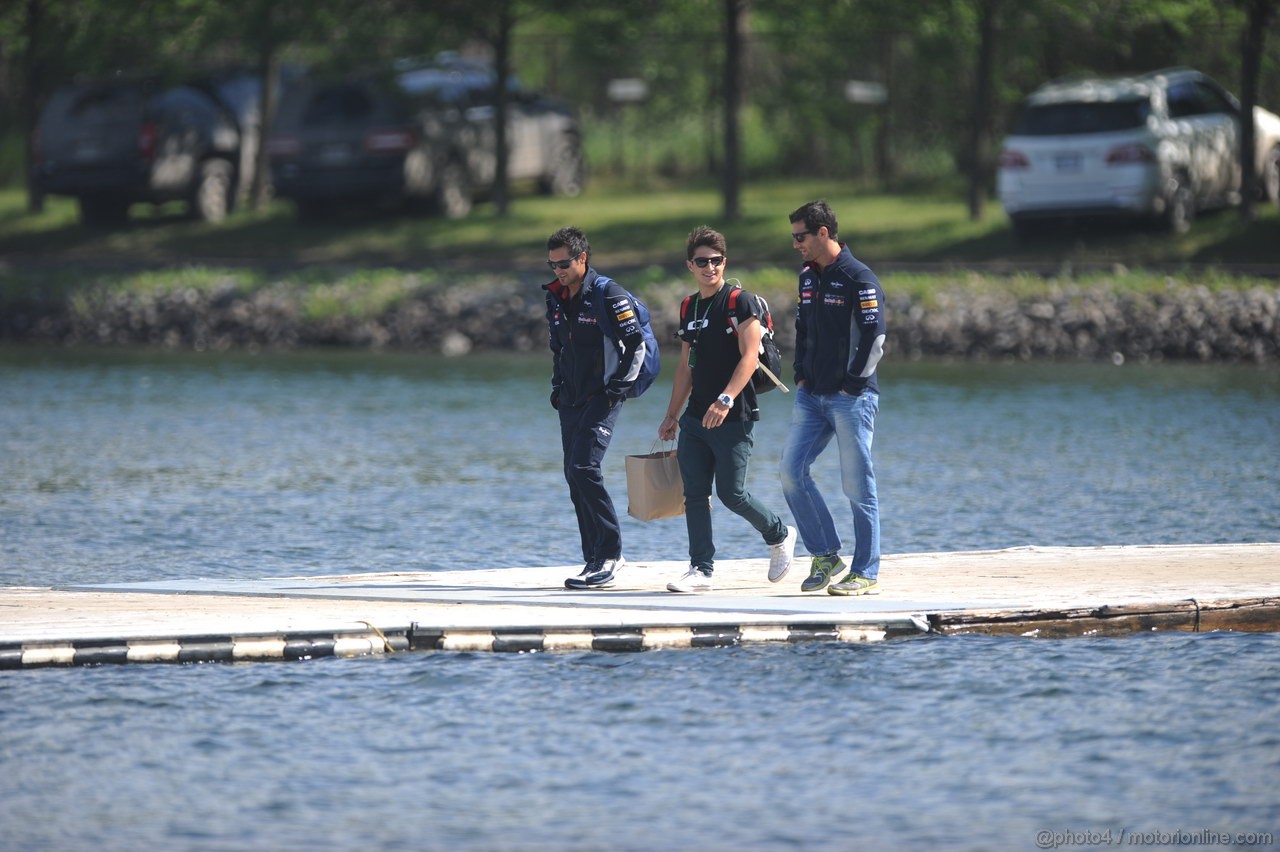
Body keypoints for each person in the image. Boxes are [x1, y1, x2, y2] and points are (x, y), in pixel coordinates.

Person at [658, 226, 796, 593]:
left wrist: (726, 398)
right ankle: (701, 569)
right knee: (694, 493)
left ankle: (779, 534)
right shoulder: (689, 306)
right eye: (702, 261)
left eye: (716, 261)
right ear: (690, 265)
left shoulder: (739, 302)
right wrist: (672, 415)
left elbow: (750, 357)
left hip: (734, 415)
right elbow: (685, 366)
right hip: (695, 417)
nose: (709, 268)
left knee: (731, 493)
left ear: (724, 263)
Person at [779, 200, 886, 596]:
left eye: (800, 236)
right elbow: (803, 328)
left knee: (858, 487)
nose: (796, 245)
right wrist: (801, 375)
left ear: (823, 233)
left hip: (851, 399)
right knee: (791, 473)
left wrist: (854, 385)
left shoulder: (860, 277)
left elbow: (876, 338)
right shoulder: (808, 276)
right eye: (793, 237)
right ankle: (825, 555)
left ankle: (866, 573)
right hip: (812, 396)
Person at [544, 226, 648, 590]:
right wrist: (558, 389)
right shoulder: (556, 296)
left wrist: (616, 390)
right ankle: (593, 558)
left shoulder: (609, 294)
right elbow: (559, 349)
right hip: (569, 400)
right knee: (574, 475)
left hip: (601, 397)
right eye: (553, 263)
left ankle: (611, 555)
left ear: (583, 258)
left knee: (584, 467)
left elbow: (636, 345)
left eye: (564, 263)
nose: (558, 270)